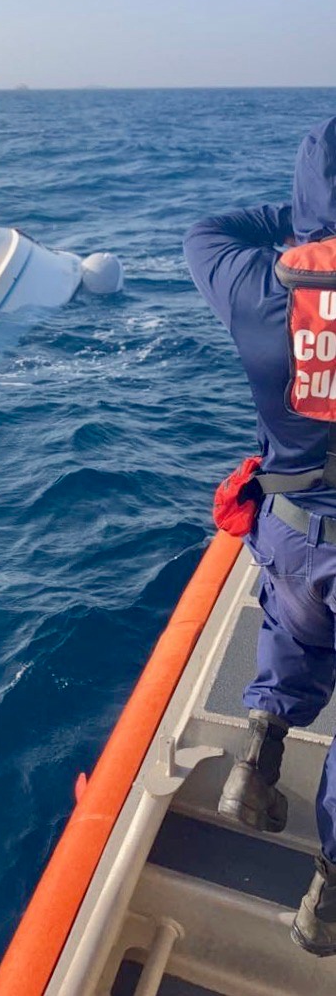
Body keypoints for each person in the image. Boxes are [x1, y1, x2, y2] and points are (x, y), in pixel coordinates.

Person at [184, 116, 336, 957]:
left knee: (292, 624)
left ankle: (260, 755)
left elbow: (205, 229)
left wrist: (306, 222)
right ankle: (330, 892)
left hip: (286, 532)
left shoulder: (254, 290)